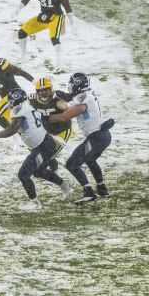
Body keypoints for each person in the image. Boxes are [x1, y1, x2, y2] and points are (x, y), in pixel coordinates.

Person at [0, 87, 72, 210]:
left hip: (42, 147)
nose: (9, 103)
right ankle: (65, 185)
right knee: (38, 171)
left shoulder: (18, 110)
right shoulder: (29, 107)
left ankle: (35, 203)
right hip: (46, 144)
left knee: (23, 175)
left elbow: (12, 129)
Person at [50, 72, 115, 203]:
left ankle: (89, 192)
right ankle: (102, 188)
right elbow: (71, 97)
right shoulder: (86, 94)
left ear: (78, 85)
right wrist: (58, 93)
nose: (71, 86)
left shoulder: (82, 97)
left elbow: (66, 116)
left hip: (96, 137)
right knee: (90, 160)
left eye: (73, 84)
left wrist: (49, 118)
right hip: (103, 135)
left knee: (72, 164)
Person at [13, 0, 77, 68]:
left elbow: (67, 7)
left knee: (54, 38)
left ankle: (60, 63)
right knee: (22, 32)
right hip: (44, 15)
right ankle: (23, 57)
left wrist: (72, 23)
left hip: (57, 16)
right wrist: (18, 9)